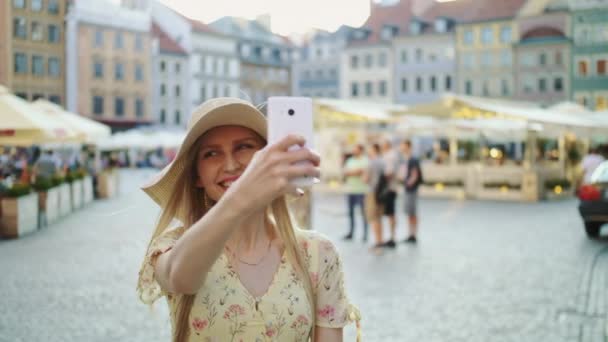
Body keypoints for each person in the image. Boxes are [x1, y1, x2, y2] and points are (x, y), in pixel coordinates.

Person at [137, 98, 360, 342]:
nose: (231, 164)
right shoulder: (174, 245)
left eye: (243, 147)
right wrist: (242, 195)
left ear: (267, 158)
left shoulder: (317, 253)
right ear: (197, 176)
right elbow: (181, 278)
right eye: (211, 154)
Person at [342, 144, 369, 242]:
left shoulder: (365, 160)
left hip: (361, 190)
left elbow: (364, 171)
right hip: (351, 190)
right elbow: (345, 172)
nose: (354, 151)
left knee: (363, 213)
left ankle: (365, 234)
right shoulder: (350, 160)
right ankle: (351, 232)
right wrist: (356, 172)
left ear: (361, 150)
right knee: (350, 213)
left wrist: (352, 172)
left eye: (356, 149)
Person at [399, 140, 422, 243]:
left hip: (411, 190)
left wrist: (408, 183)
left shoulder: (413, 160)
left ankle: (413, 234)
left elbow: (414, 175)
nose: (402, 148)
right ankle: (410, 234)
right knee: (409, 213)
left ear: (408, 147)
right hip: (408, 189)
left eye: (403, 146)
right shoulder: (406, 159)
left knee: (412, 212)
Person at [365, 143, 386, 252]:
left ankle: (378, 242)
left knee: (373, 218)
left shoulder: (371, 162)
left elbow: (366, 178)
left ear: (374, 149)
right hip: (382, 192)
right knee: (379, 217)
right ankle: (381, 240)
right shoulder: (383, 161)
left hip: (373, 192)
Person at [380, 141, 399, 248]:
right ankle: (390, 237)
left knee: (391, 213)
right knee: (390, 214)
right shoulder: (389, 155)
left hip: (389, 189)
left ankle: (392, 238)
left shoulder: (390, 156)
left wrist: (380, 178)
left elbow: (389, 172)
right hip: (389, 188)